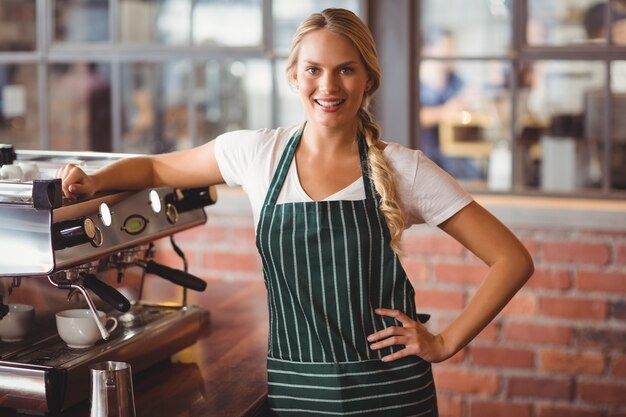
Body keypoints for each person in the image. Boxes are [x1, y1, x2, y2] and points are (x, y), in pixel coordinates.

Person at [58, 8, 534, 416]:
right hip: (295, 389)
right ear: (293, 76)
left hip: (390, 393)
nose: (328, 85)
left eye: (346, 69)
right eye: (313, 70)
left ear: (369, 78)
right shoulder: (257, 154)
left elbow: (512, 259)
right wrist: (96, 181)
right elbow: (158, 167)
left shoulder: (403, 168)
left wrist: (445, 342)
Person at [419, 28, 482, 179]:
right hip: (424, 152)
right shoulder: (416, 82)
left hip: (452, 155)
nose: (452, 54)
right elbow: (416, 117)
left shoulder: (455, 81)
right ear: (428, 51)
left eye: (453, 48)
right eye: (446, 48)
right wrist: (447, 110)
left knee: (476, 176)